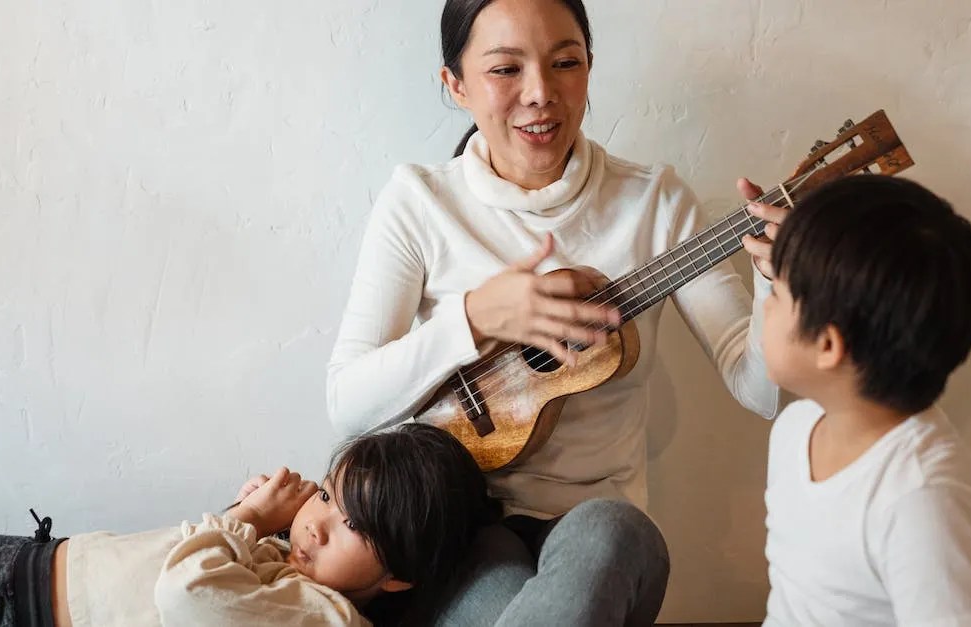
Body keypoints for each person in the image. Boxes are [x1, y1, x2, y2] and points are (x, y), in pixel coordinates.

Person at [326, 1, 787, 623]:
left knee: (613, 531)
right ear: (455, 85)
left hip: (599, 524)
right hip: (462, 523)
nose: (541, 94)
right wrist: (475, 317)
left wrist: (774, 283)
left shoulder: (654, 202)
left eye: (564, 62)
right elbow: (347, 405)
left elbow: (762, 392)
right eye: (505, 70)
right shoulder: (419, 202)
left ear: (589, 68)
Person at [0, 424, 498, 627]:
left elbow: (187, 591)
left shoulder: (325, 619)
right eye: (329, 495)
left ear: (399, 577)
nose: (318, 523)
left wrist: (249, 520)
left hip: (15, 606)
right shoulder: (302, 578)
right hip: (32, 564)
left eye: (355, 524)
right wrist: (246, 525)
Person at [759, 175, 971, 625]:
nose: (764, 307)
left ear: (828, 346)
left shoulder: (924, 499)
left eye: (775, 294)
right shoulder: (795, 431)